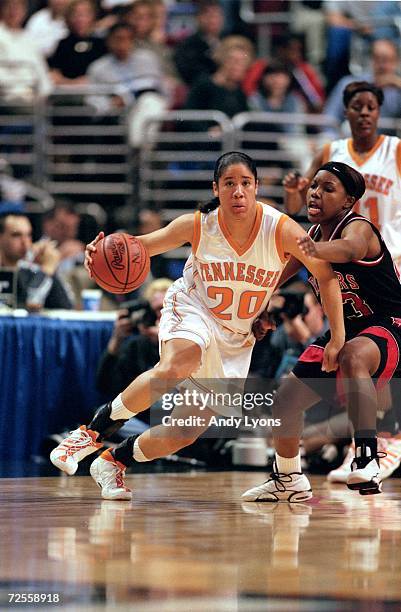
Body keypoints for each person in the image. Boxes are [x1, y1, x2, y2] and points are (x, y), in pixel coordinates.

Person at [50, 151, 345, 500]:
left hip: (235, 337)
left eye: (245, 183)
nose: (238, 191)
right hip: (193, 309)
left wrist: (336, 335)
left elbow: (324, 275)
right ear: (216, 189)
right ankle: (89, 433)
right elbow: (136, 247)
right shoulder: (197, 225)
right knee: (179, 361)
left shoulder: (279, 228)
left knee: (185, 432)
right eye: (229, 183)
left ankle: (113, 460)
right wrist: (97, 251)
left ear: (256, 188)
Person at [242, 161, 401, 502]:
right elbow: (274, 279)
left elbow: (350, 250)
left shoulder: (358, 228)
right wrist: (262, 308)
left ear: (347, 202)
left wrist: (314, 251)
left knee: (352, 354)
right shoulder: (312, 236)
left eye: (328, 189)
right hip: (346, 330)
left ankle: (368, 458)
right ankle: (288, 479)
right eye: (314, 186)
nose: (315, 193)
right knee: (285, 401)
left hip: (390, 326)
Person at [283, 81, 401, 273]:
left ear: (378, 112)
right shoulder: (330, 152)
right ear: (346, 112)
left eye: (371, 107)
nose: (364, 113)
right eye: (357, 107)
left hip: (392, 259)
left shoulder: (396, 149)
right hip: (341, 260)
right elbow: (294, 207)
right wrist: (291, 190)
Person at [323, 40, 401, 132]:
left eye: (387, 60)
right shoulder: (349, 84)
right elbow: (329, 120)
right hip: (350, 141)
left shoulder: (398, 89)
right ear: (370, 60)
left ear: (397, 62)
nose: (382, 65)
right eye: (377, 58)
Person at [0, 213, 73, 310]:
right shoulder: (41, 271)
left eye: (28, 235)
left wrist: (48, 271)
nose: (25, 242)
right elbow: (29, 304)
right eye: (16, 235)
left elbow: (66, 307)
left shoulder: (31, 270)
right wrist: (47, 269)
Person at [0, 0, 52, 101]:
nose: (13, 12)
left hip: (34, 99)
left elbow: (41, 69)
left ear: (24, 11)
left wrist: (44, 92)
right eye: (10, 7)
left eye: (18, 8)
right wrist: (19, 91)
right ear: (2, 10)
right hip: (7, 98)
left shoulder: (30, 39)